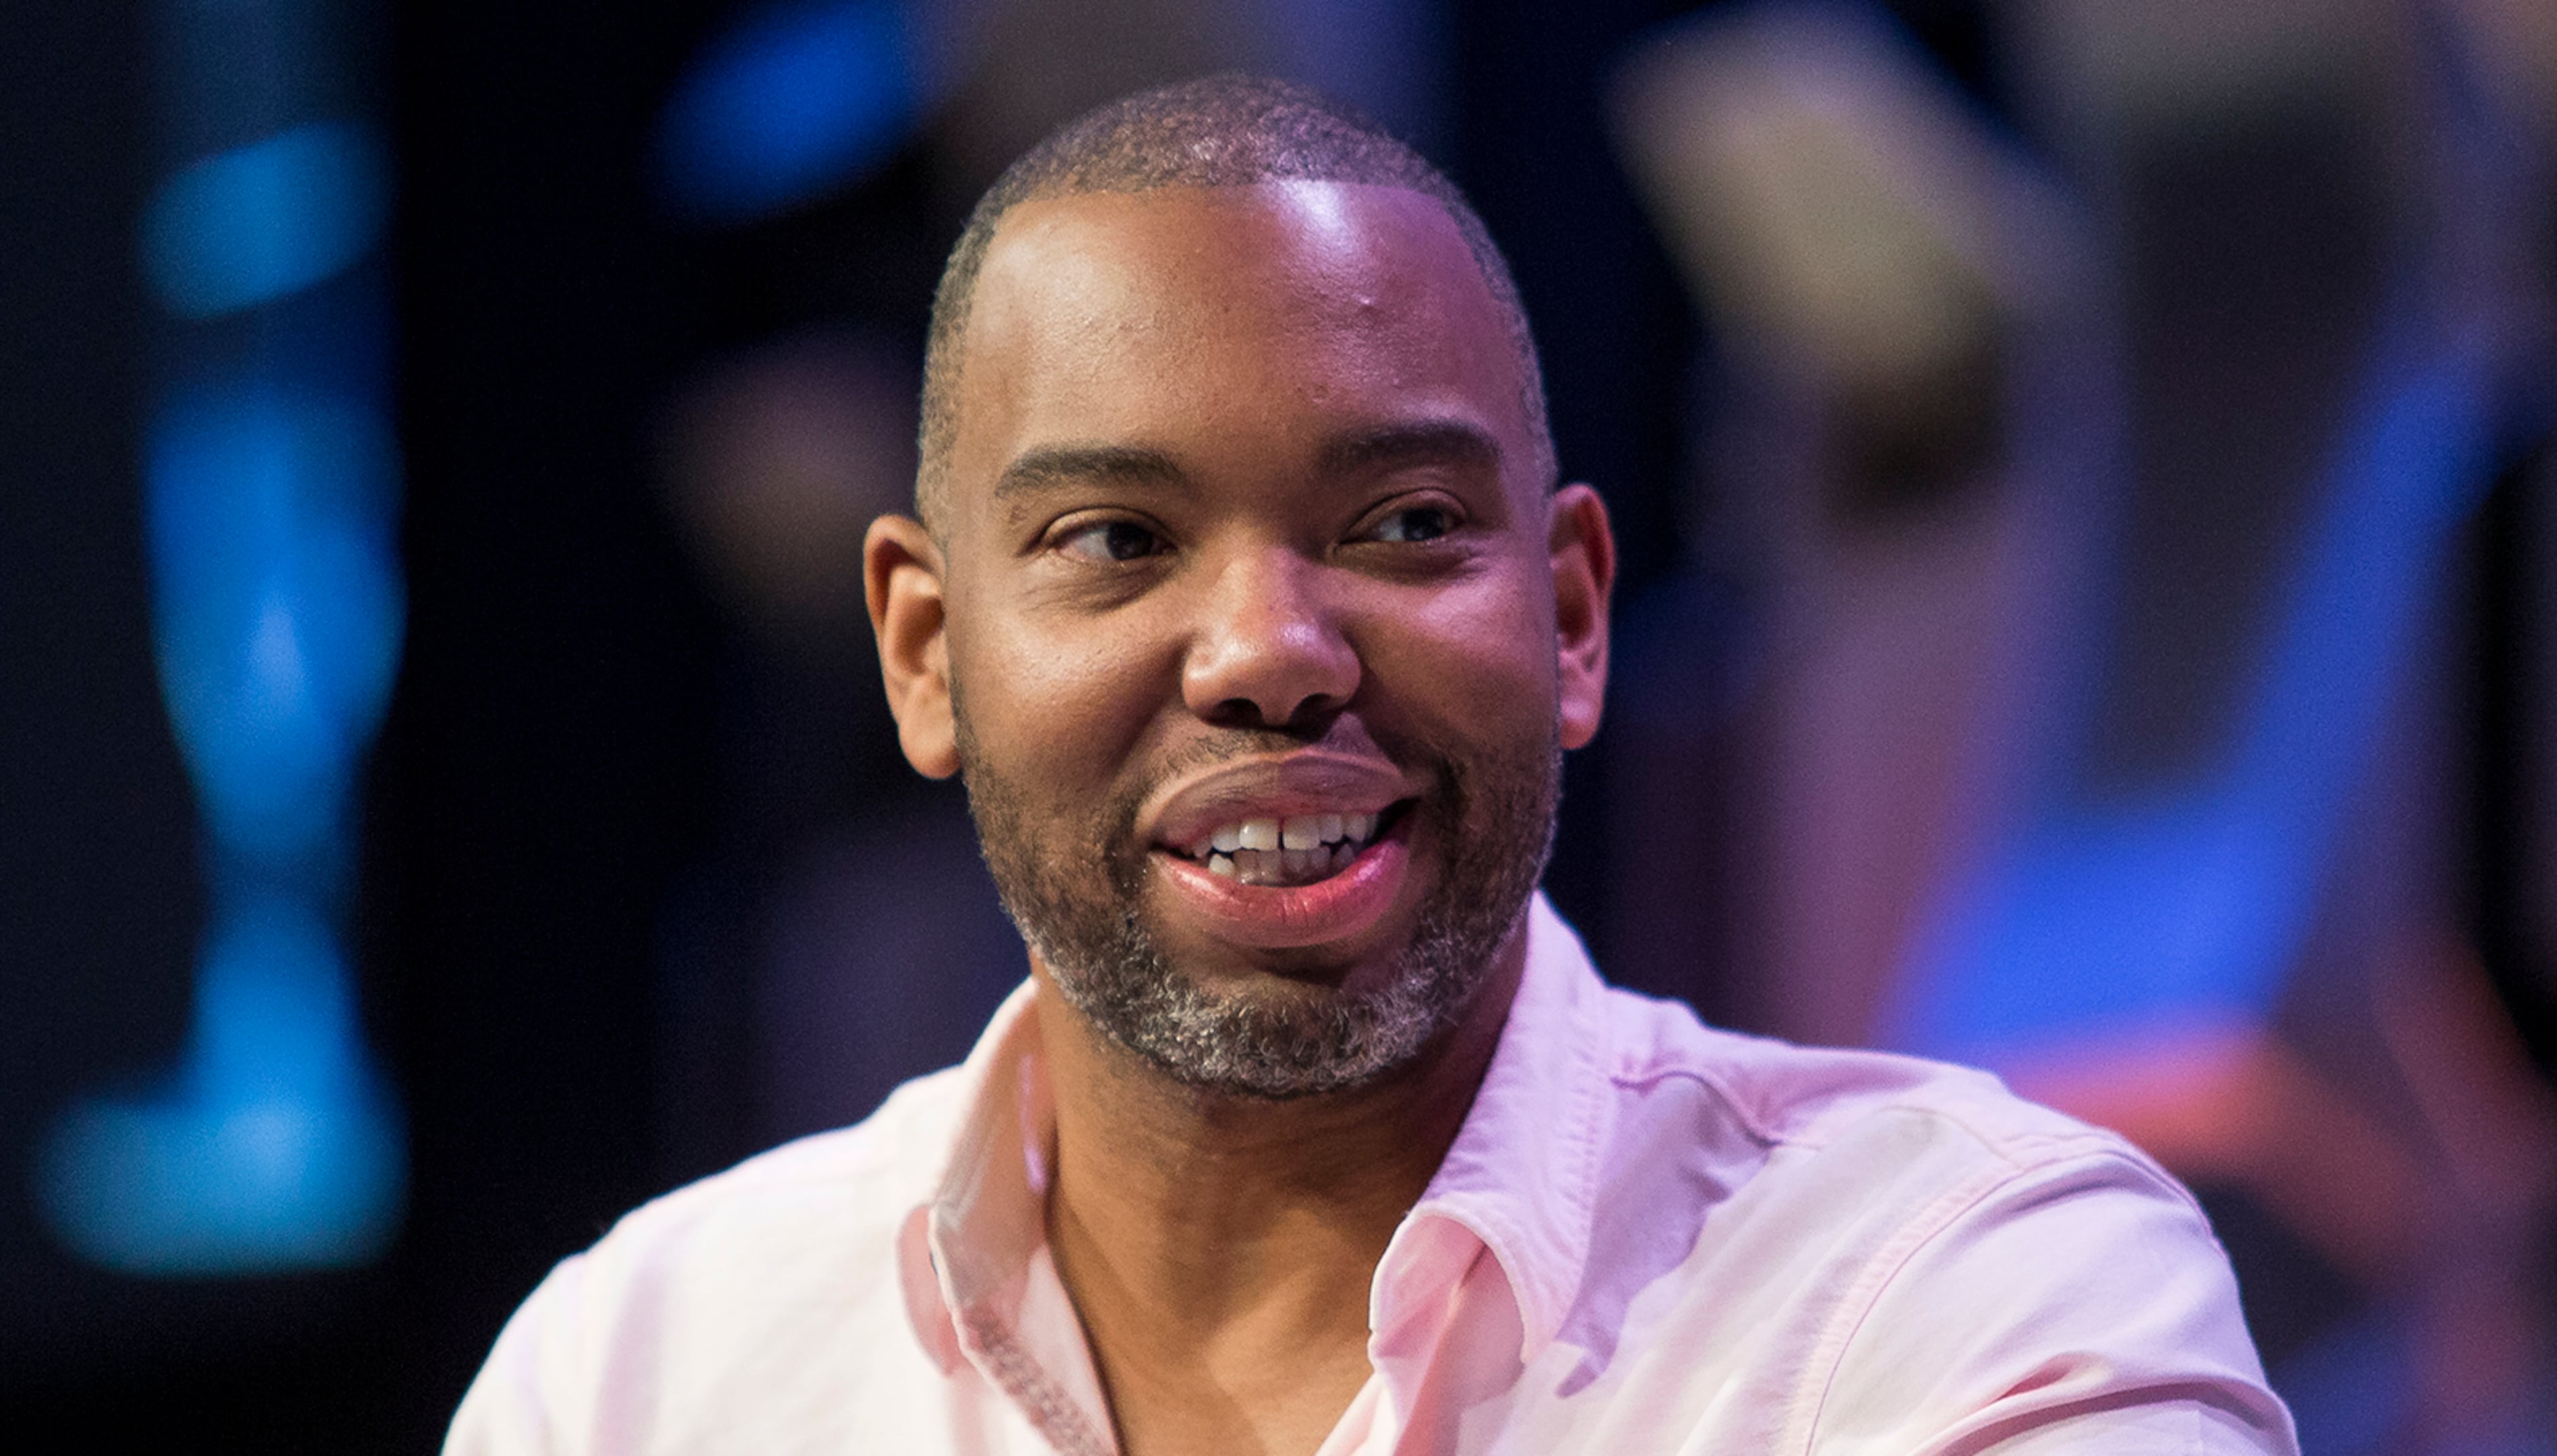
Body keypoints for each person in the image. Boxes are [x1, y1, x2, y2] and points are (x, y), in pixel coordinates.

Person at [446, 75, 2297, 1456]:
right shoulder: (635, 1379)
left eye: (1405, 524)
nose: (1268, 654)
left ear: (1572, 618)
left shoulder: (1977, 1295)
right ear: (925, 653)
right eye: (1115, 541)